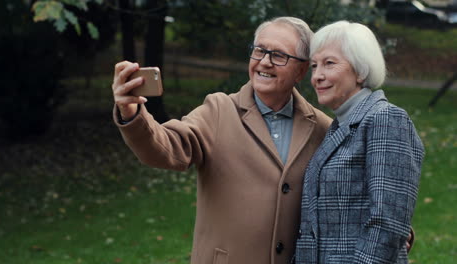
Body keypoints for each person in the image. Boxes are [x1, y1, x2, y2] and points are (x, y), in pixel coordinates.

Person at [112, 17, 332, 264]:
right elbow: (167, 148)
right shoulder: (218, 110)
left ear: (302, 70)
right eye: (259, 51)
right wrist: (132, 114)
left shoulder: (322, 129)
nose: (265, 61)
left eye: (279, 55)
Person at [294, 21, 424, 264]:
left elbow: (387, 223)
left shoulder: (385, 119)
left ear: (361, 70)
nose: (317, 76)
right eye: (314, 66)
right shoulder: (339, 126)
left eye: (329, 63)